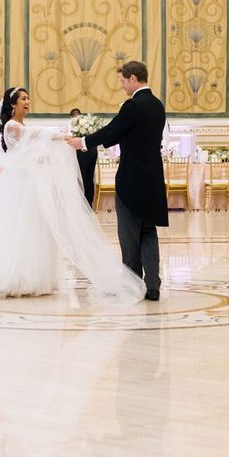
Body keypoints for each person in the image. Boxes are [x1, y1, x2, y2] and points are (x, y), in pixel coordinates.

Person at [0, 86, 145, 302]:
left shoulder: (22, 126)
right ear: (13, 104)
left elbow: (35, 145)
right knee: (14, 229)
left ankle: (30, 274)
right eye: (24, 99)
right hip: (18, 184)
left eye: (28, 99)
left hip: (30, 183)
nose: (28, 103)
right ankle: (11, 274)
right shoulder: (12, 127)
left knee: (33, 228)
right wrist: (64, 137)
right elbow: (36, 135)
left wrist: (63, 143)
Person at [67, 61, 168, 302]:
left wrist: (82, 142)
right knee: (148, 232)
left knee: (129, 235)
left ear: (133, 78)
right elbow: (125, 134)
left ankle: (132, 285)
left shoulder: (133, 105)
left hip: (132, 179)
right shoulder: (157, 105)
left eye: (123, 81)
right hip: (153, 179)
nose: (122, 86)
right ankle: (153, 285)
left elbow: (113, 131)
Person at [69, 107, 97, 207]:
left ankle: (83, 204)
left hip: (83, 152)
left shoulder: (74, 126)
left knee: (83, 178)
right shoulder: (88, 123)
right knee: (88, 179)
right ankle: (88, 204)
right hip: (92, 150)